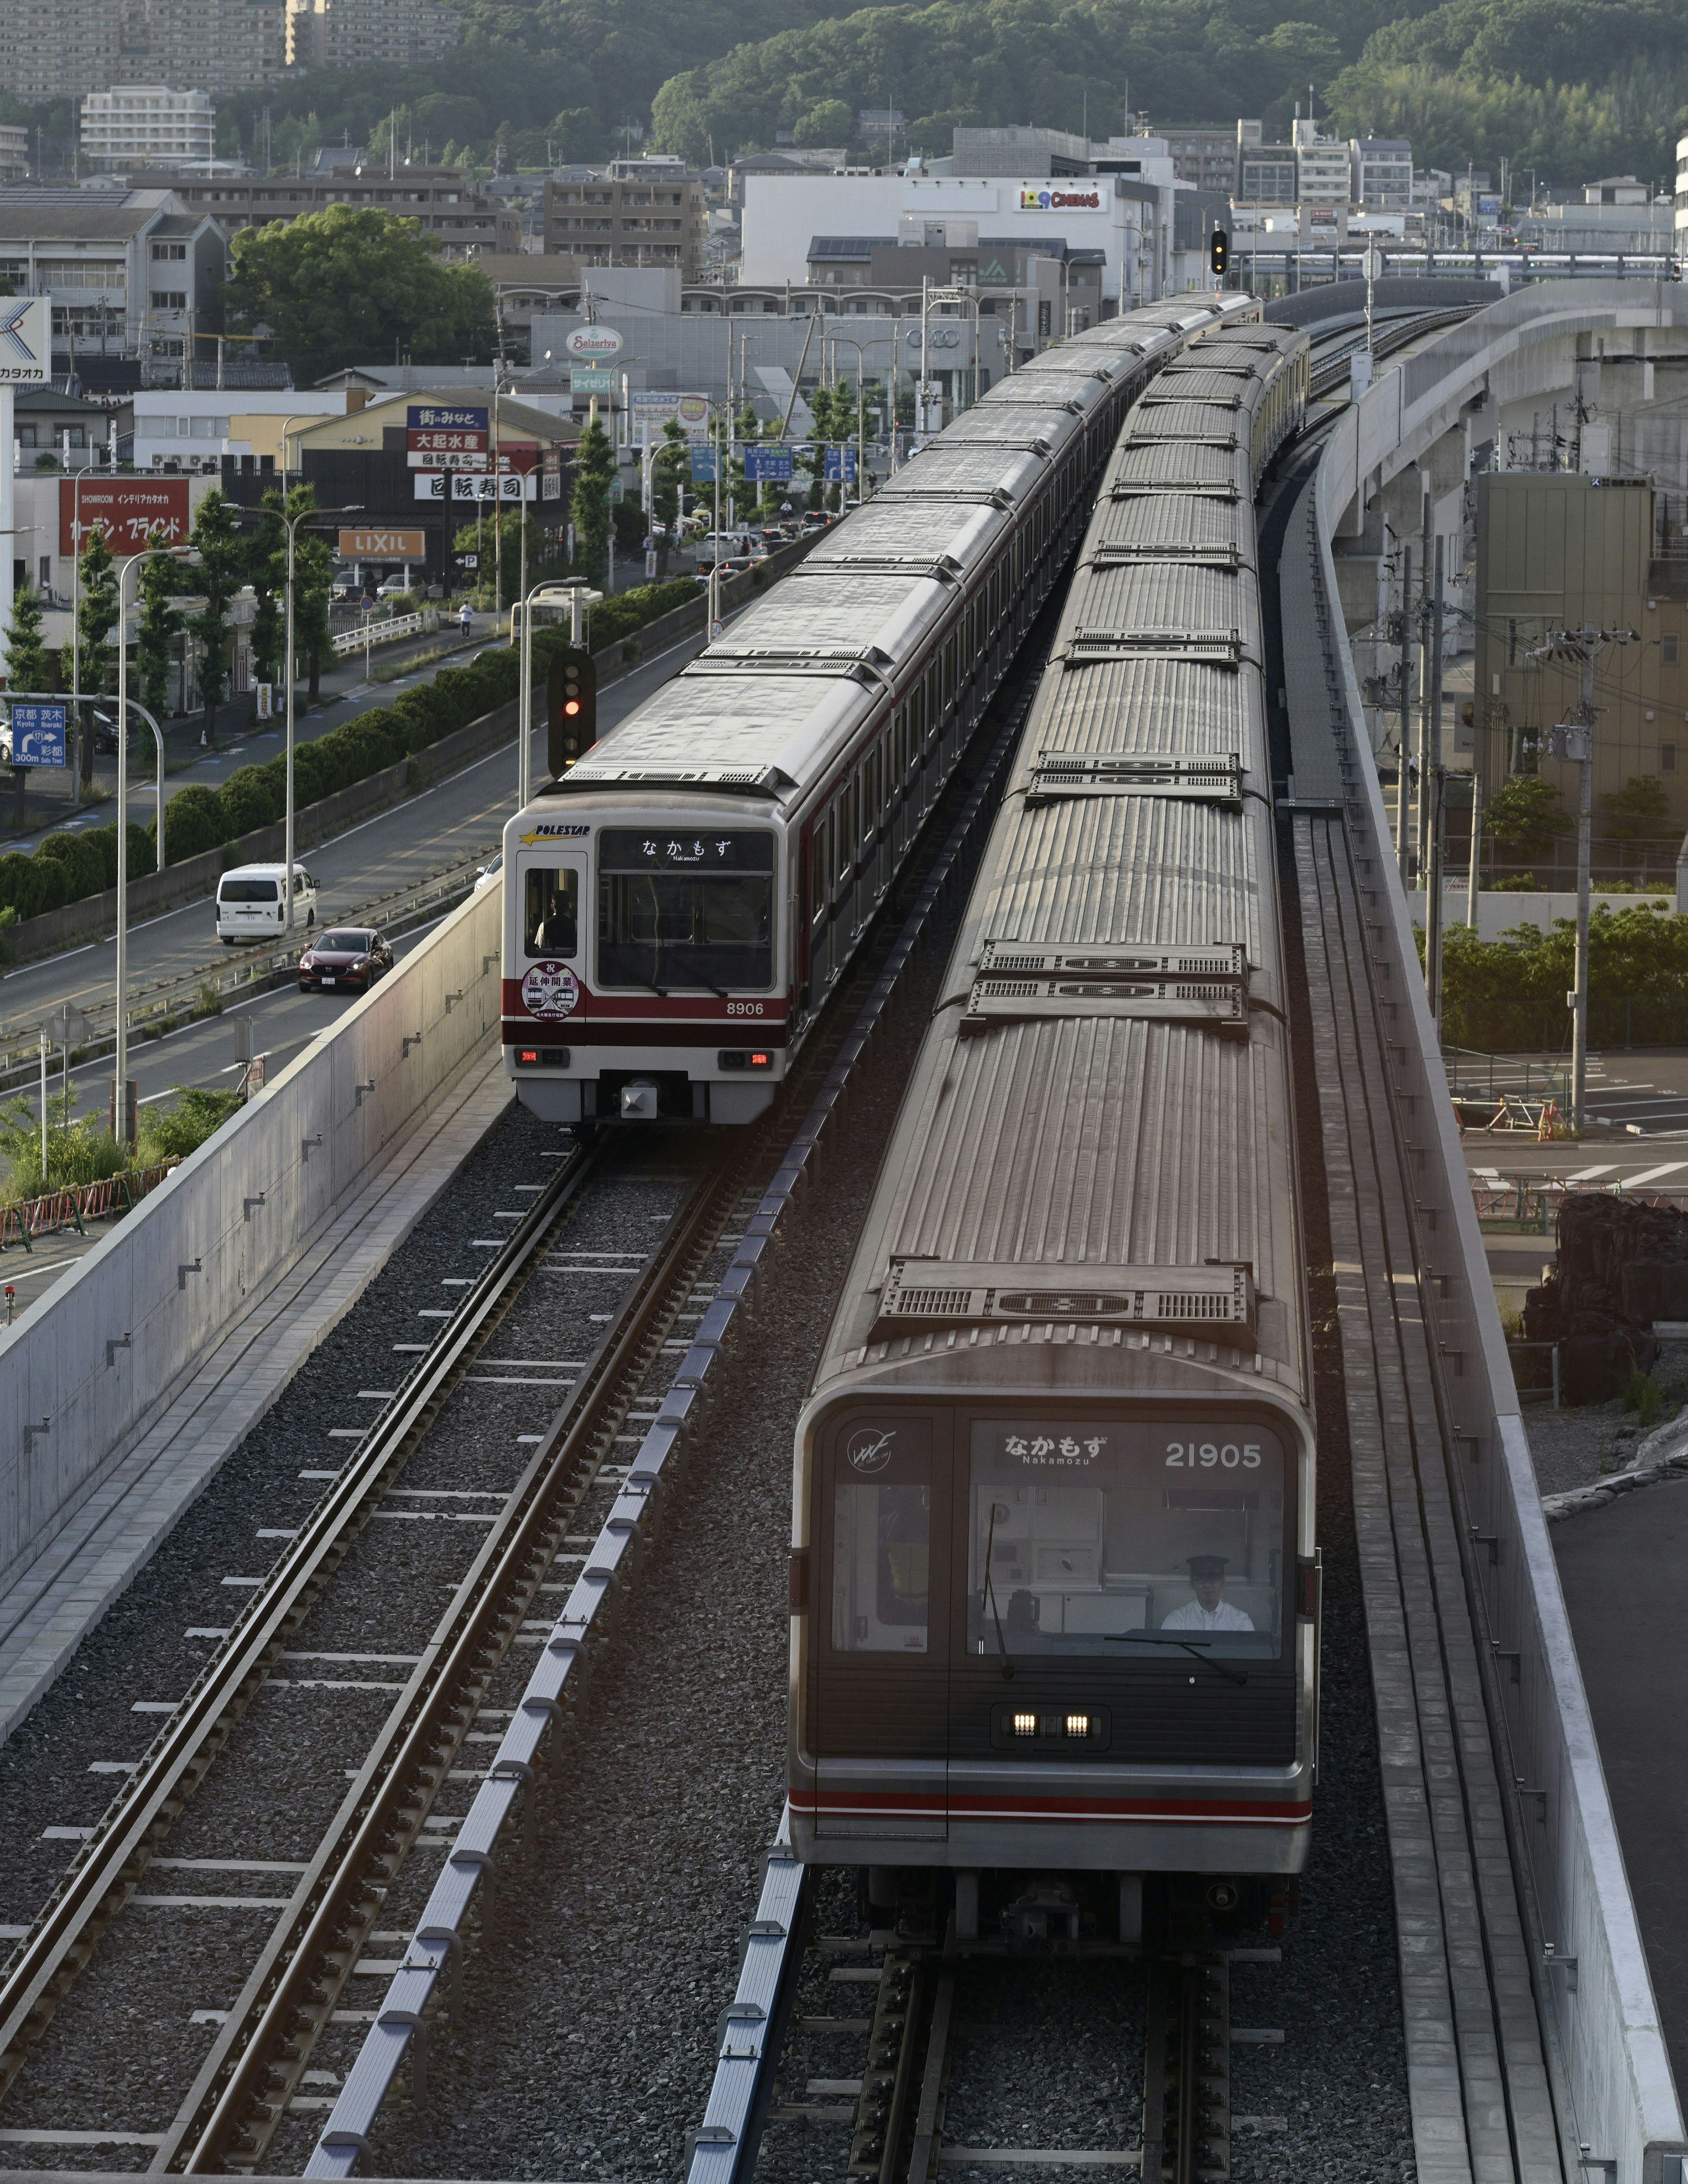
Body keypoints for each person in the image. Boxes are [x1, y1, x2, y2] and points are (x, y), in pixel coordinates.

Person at [1162, 1555, 1254, 1632]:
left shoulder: (1240, 1622)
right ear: (1192, 1583)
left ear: (1223, 1582)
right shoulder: (1177, 1620)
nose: (1208, 1585)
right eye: (1201, 1579)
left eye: (1214, 1579)